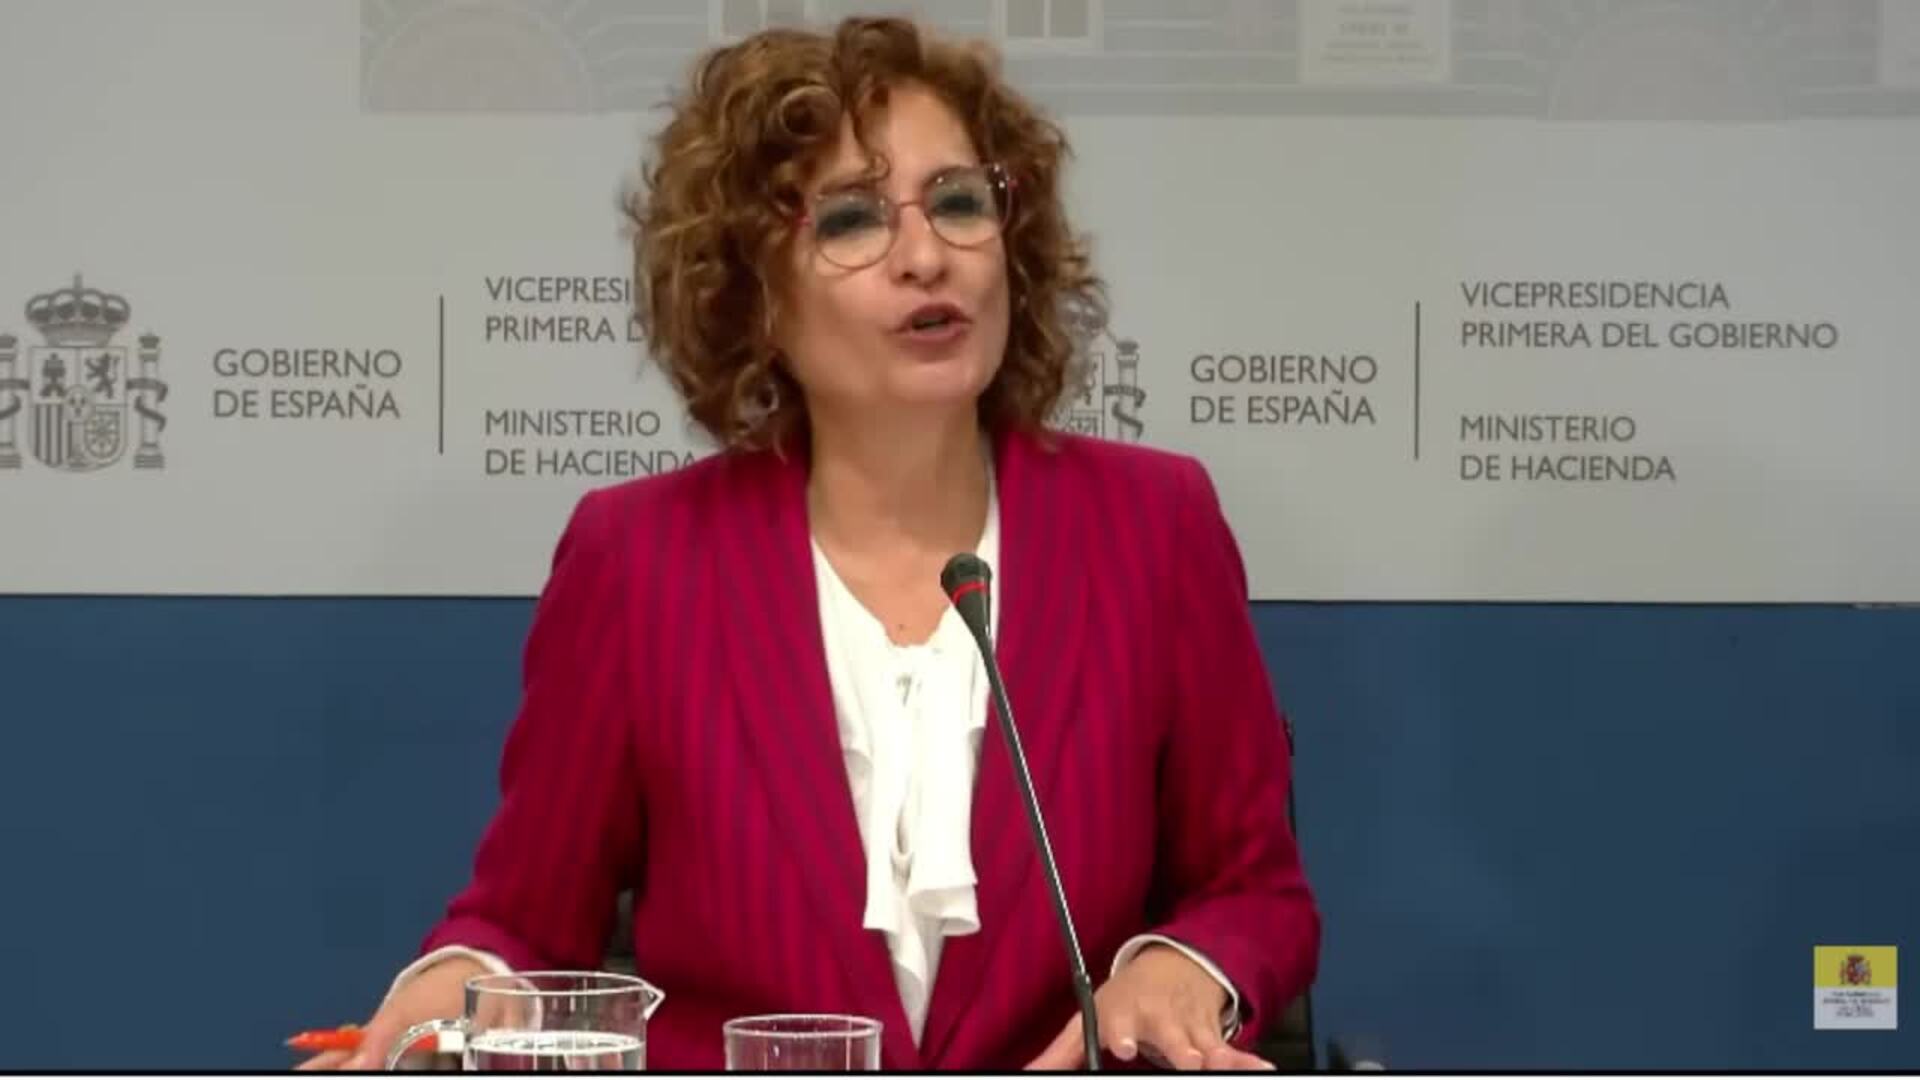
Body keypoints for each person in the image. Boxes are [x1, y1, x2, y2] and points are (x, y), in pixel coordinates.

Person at [303, 15, 1317, 1072]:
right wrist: (446, 995)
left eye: (959, 203)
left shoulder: (1153, 527)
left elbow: (1254, 891)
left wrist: (1181, 965)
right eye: (851, 220)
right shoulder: (640, 561)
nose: (926, 256)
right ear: (756, 297)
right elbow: (524, 921)